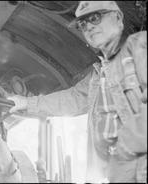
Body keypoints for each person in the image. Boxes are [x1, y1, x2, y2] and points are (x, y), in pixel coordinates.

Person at [8, 1, 147, 183]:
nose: (88, 27)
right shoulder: (99, 74)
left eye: (95, 18)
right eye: (82, 24)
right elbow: (73, 99)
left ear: (118, 17)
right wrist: (27, 103)